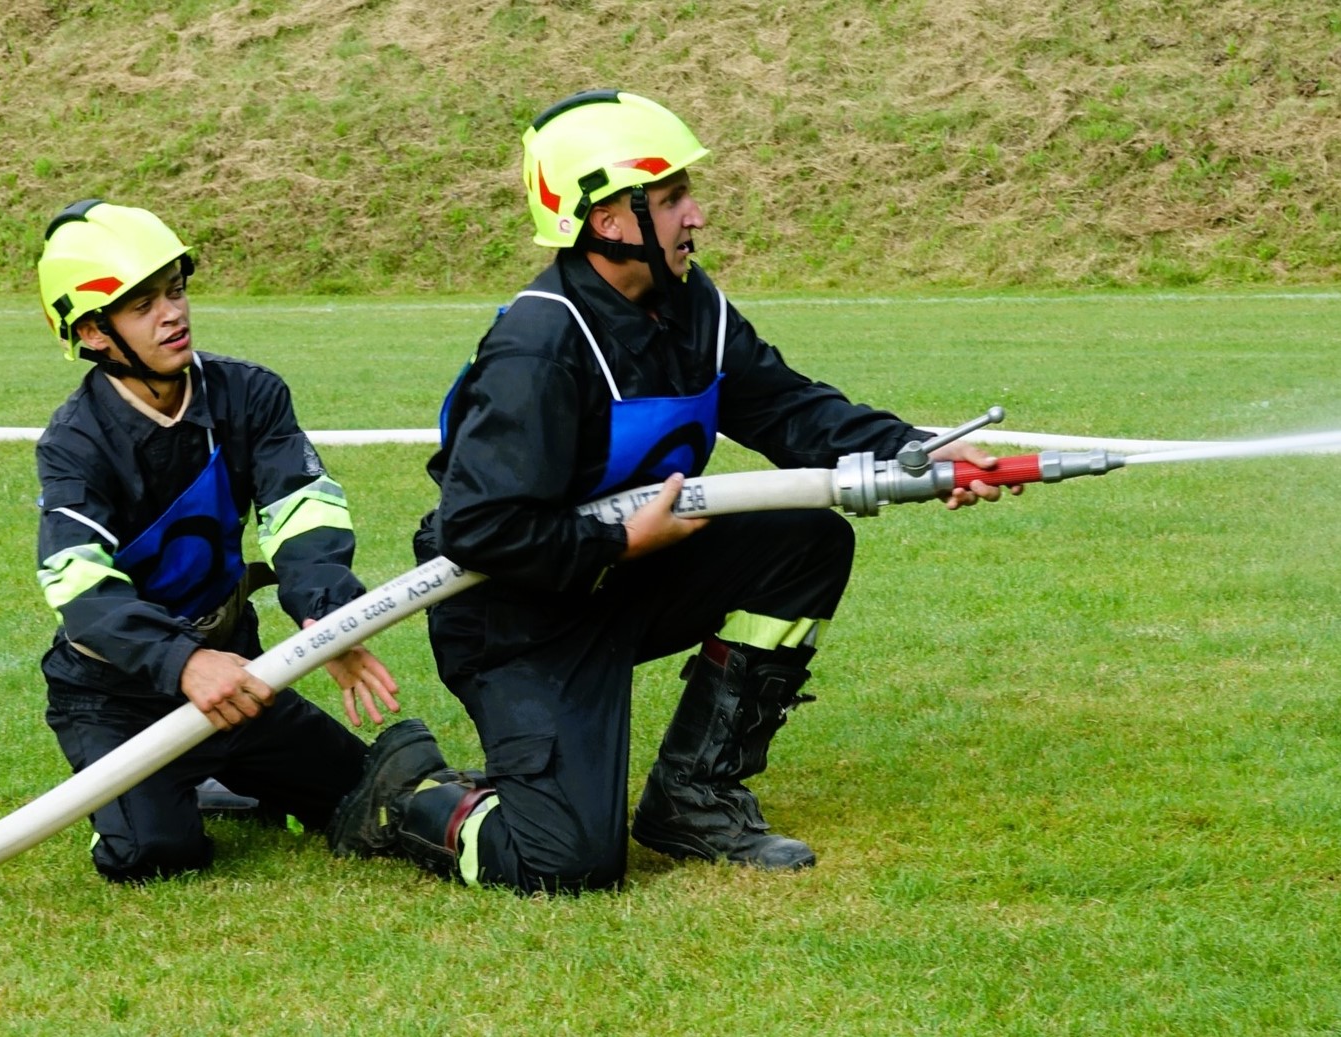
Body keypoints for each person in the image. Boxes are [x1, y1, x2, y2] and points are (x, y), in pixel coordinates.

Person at [329, 91, 1015, 894]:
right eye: (670, 198)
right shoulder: (538, 349)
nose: (695, 216)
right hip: (516, 617)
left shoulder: (692, 306)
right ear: (609, 221)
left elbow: (787, 408)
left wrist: (914, 451)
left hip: (628, 575)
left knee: (804, 538)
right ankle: (409, 791)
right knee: (564, 865)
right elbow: (477, 529)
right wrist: (619, 542)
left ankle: (694, 795)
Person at [34, 199, 401, 883]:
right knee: (151, 853)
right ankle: (165, 793)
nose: (172, 313)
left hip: (238, 673)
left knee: (366, 793)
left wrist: (327, 618)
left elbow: (301, 508)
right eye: (142, 304)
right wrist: (181, 661)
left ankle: (222, 776)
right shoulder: (74, 443)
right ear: (93, 332)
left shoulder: (250, 393)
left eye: (174, 290)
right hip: (115, 697)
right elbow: (78, 583)